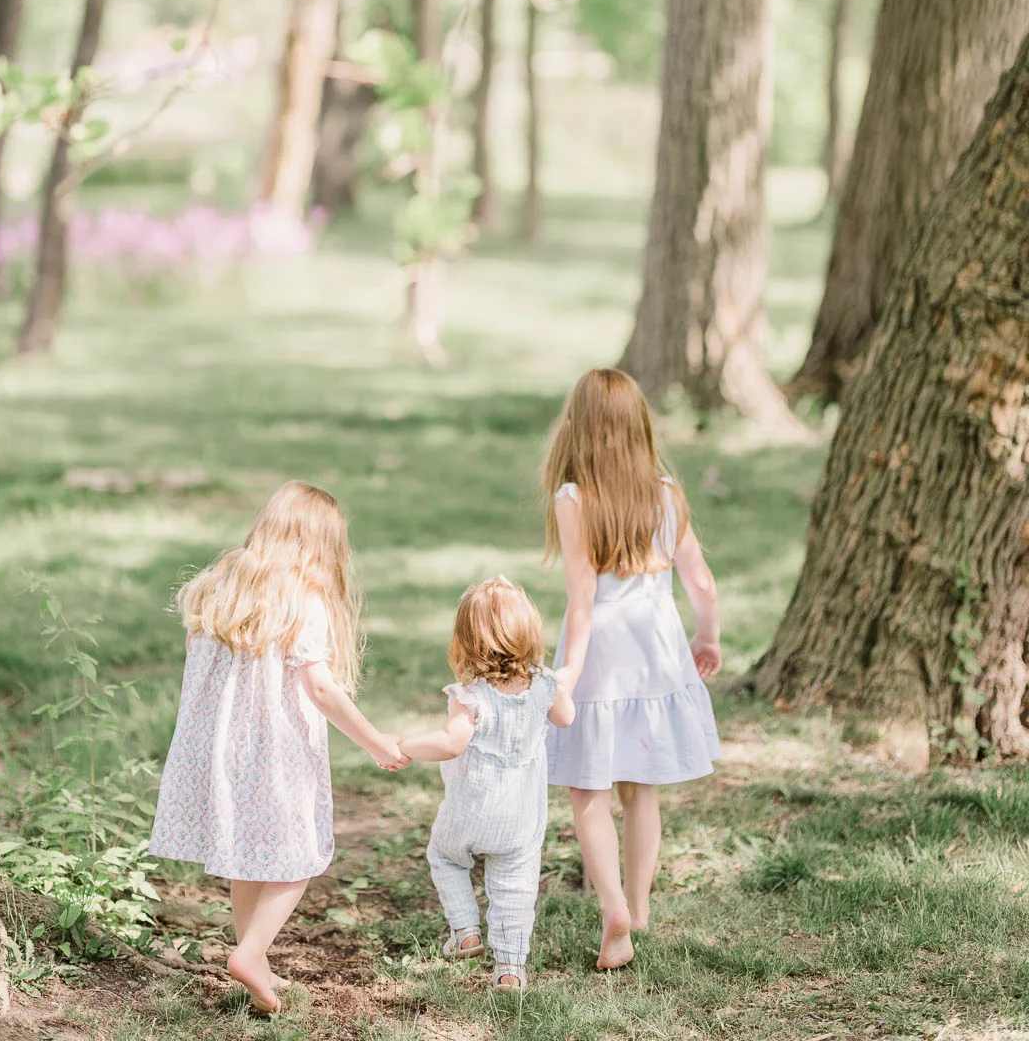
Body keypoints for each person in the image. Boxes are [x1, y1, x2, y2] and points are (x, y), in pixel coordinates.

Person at [149, 480, 407, 1014]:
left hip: (220, 751)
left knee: (249, 854)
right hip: (276, 753)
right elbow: (319, 689)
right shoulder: (303, 602)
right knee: (299, 857)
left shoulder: (221, 587)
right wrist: (375, 740)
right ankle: (250, 954)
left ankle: (254, 958)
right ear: (319, 546)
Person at [544, 368, 721, 971]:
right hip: (657, 649)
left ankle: (613, 908)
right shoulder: (666, 492)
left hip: (603, 652)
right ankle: (639, 910)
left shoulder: (574, 498)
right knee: (640, 789)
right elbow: (700, 580)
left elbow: (581, 597)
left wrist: (567, 673)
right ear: (639, 427)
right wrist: (707, 635)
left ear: (579, 429)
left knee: (588, 790)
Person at [399, 577, 575, 990]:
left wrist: (404, 744)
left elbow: (450, 742)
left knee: (445, 857)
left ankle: (465, 933)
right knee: (516, 886)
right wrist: (557, 683)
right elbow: (565, 717)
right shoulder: (544, 683)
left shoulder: (470, 695)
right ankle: (511, 969)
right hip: (520, 817)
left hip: (470, 809)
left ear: (465, 640)